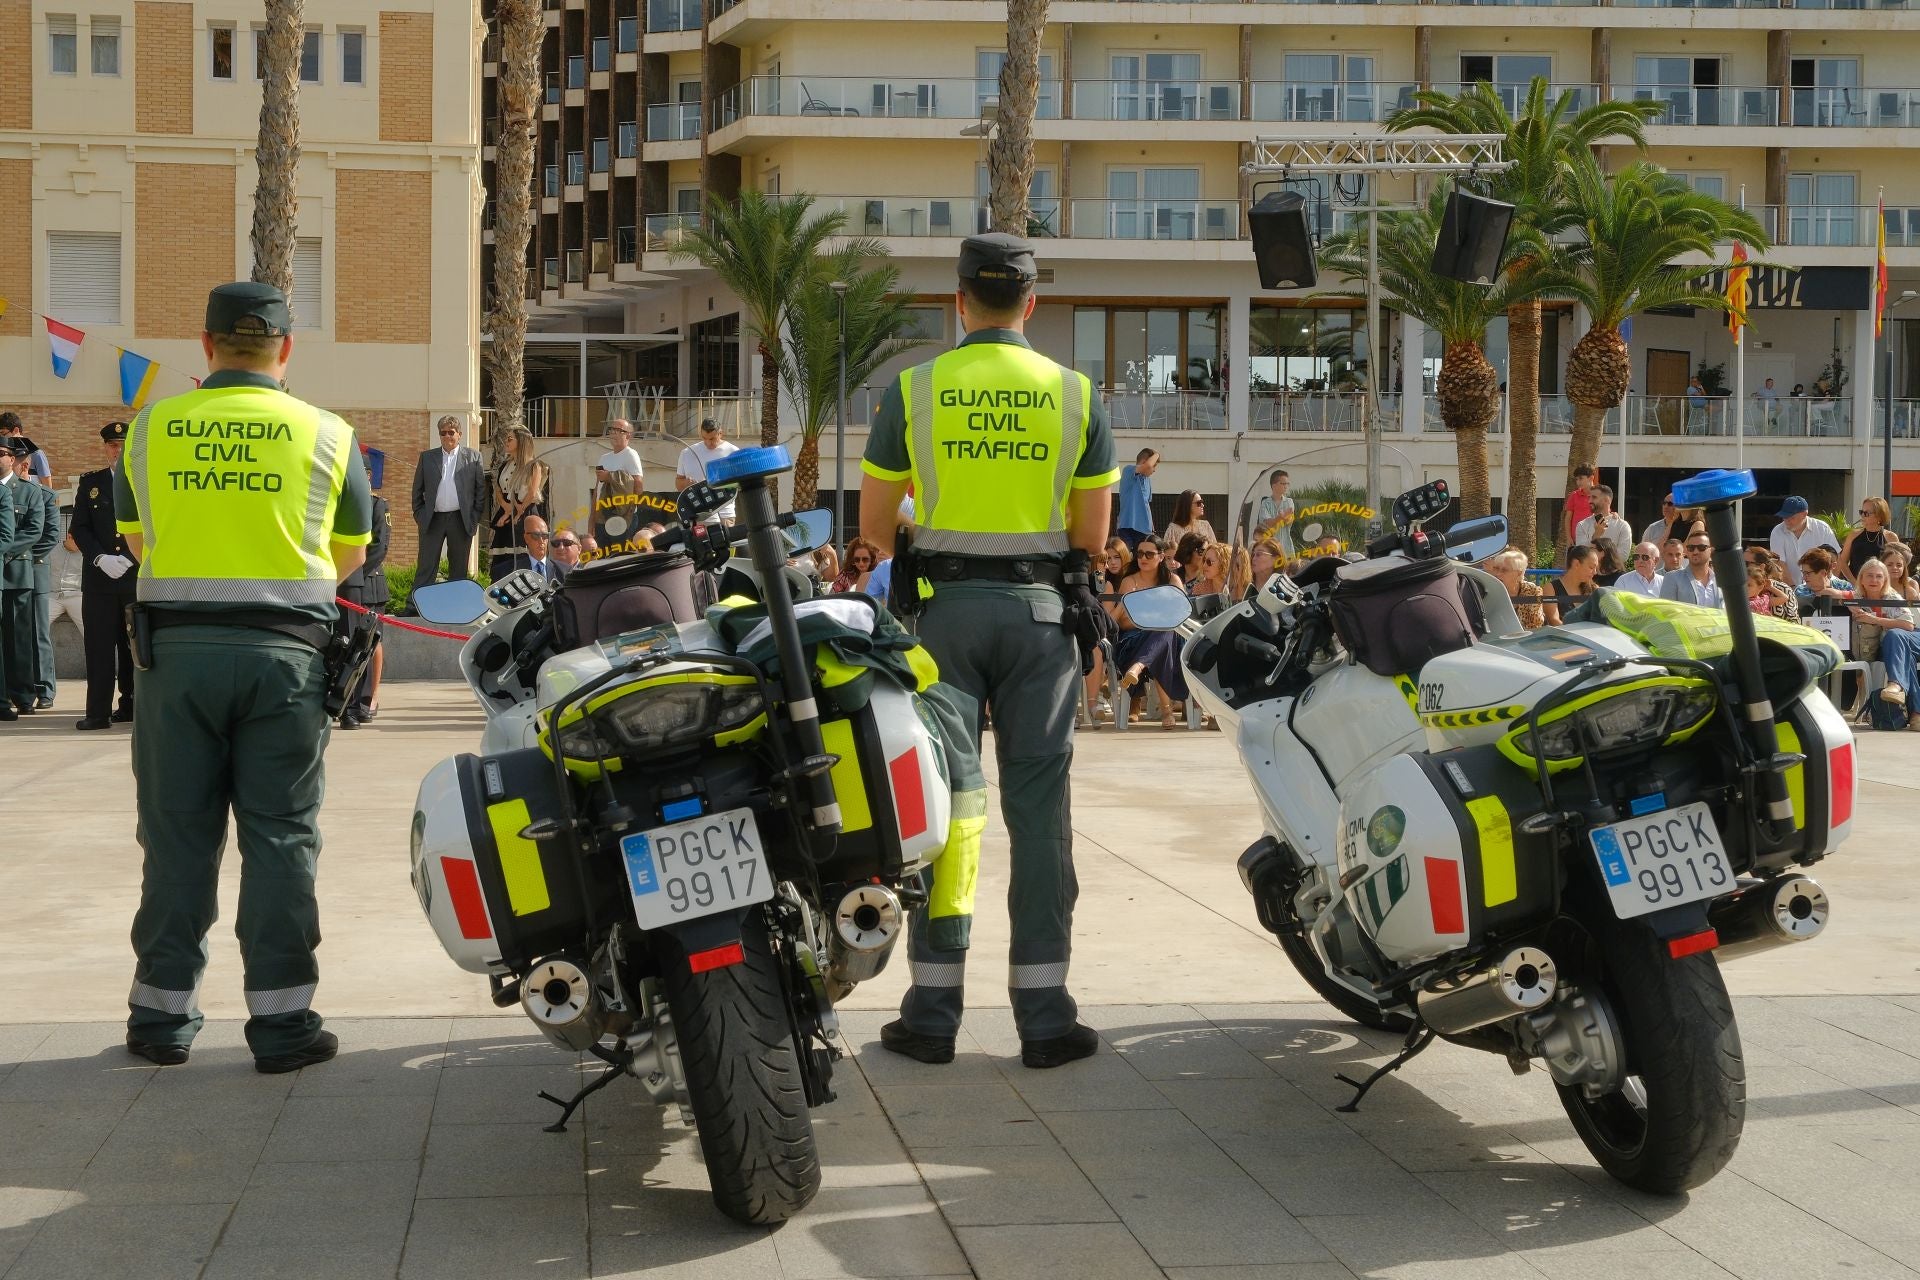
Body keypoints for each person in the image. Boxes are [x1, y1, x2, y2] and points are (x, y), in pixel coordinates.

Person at [858, 230, 1117, 1070]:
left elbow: (872, 529)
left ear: (959, 301)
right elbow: (1091, 534)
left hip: (944, 620)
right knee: (1040, 813)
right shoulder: (1075, 394)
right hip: (1043, 619)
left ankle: (933, 1011)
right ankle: (1044, 1015)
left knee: (952, 809)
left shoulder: (916, 389)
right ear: (1031, 304)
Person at [115, 281, 373, 1073]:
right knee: (282, 838)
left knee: (177, 839)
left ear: (206, 344)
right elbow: (351, 554)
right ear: (285, 350)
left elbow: (135, 543)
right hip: (288, 665)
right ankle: (284, 1026)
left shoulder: (152, 427)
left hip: (176, 663)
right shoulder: (329, 434)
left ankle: (161, 1019)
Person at [69, 422, 139, 730]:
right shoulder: (91, 482)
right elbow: (80, 527)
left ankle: (133, 706)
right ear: (105, 448)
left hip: (134, 575)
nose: (118, 450)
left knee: (134, 645)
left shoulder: (144, 481)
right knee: (98, 646)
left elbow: (152, 525)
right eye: (113, 445)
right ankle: (97, 712)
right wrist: (99, 557)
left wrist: (127, 556)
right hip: (99, 577)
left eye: (123, 445)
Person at [1111, 537, 1189, 729]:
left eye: (1149, 554)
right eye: (1139, 554)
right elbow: (1115, 621)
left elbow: (1181, 615)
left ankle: (1138, 667)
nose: (1143, 558)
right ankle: (1166, 711)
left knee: (1164, 632)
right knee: (1162, 636)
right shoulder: (1129, 581)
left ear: (1161, 556)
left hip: (1169, 639)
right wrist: (1123, 604)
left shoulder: (1172, 581)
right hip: (1133, 641)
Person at [410, 415, 487, 598]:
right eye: (443, 433)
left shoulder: (473, 457)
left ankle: (456, 607)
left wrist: (474, 519)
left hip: (460, 520)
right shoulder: (427, 457)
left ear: (459, 434)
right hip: (432, 519)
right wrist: (420, 516)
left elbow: (480, 492)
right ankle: (415, 606)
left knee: (458, 569)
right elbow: (417, 490)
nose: (447, 436)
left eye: (451, 432)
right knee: (426, 566)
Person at [336, 475, 391, 729]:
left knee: (361, 644)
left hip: (358, 581)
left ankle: (357, 703)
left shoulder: (376, 505)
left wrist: (349, 572)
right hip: (335, 583)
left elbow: (379, 547)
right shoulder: (335, 501)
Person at [0, 438, 48, 716]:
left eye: (3, 454)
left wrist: (4, 552)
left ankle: (23, 696)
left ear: (13, 459)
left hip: (17, 572)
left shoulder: (29, 491)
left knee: (18, 639)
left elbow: (34, 532)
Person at [21, 444, 61, 709]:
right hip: (10, 572)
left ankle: (45, 688)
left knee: (37, 632)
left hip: (34, 568)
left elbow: (49, 536)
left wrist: (18, 556)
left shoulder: (45, 495)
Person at [489, 427, 548, 580]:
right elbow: (498, 489)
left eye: (510, 439)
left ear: (521, 441)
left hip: (526, 512)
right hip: (507, 511)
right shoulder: (505, 465)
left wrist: (518, 512)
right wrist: (506, 509)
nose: (506, 442)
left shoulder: (534, 465)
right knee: (503, 559)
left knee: (523, 555)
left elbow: (532, 492)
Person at [675, 418, 740, 522]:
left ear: (720, 433)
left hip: (725, 512)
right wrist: (686, 483)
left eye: (712, 439)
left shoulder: (733, 452)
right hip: (700, 512)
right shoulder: (687, 453)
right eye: (704, 438)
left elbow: (740, 482)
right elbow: (678, 483)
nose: (708, 443)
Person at [1768, 497, 1838, 588]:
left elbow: (1834, 559)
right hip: (1789, 589)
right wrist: (1793, 590)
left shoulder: (1822, 529)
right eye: (1784, 517)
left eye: (1791, 517)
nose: (1787, 521)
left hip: (1822, 589)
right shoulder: (1777, 532)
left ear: (1804, 514)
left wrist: (1829, 586)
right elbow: (1779, 564)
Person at [1486, 547, 1547, 631]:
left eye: (1504, 570)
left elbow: (1535, 625)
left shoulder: (1533, 591)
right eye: (1496, 568)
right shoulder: (1487, 589)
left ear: (1519, 573)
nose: (1498, 574)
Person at [1660, 527, 1722, 607]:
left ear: (1711, 550)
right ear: (1687, 551)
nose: (1695, 552)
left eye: (1701, 547)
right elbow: (1666, 612)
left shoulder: (1721, 580)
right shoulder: (1672, 578)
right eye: (1691, 548)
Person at [1574, 484, 1633, 567]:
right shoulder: (1582, 525)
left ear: (1607, 500)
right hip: (1588, 577)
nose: (1589, 501)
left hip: (1613, 577)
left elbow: (1623, 556)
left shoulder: (1622, 526)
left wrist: (1599, 560)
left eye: (1594, 497)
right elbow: (1580, 553)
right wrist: (1596, 536)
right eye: (1589, 497)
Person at [1115, 448, 1158, 550]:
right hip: (1127, 527)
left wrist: (1152, 527)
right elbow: (1147, 466)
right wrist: (1157, 454)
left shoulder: (1147, 481)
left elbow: (1146, 504)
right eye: (1154, 466)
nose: (1154, 470)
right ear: (1144, 462)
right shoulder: (1128, 470)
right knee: (1126, 558)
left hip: (1144, 530)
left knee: (1141, 559)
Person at [1546, 544, 1600, 627]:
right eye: (1591, 567)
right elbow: (1554, 621)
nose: (1595, 572)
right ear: (1576, 564)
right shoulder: (1551, 589)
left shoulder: (1594, 589)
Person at [1842, 497, 1895, 581]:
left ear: (1879, 516)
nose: (1862, 515)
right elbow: (1843, 562)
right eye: (1861, 512)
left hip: (1879, 587)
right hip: (1855, 587)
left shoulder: (1890, 537)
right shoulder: (1853, 535)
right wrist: (1855, 584)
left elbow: (1896, 565)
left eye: (1866, 513)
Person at [1253, 469, 1295, 558]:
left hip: (1286, 547)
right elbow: (1267, 523)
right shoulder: (1265, 503)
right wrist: (1280, 517)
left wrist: (1280, 518)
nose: (1286, 486)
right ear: (1274, 485)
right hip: (1270, 548)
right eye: (1283, 483)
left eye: (1287, 484)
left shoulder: (1289, 502)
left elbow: (1288, 520)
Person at [1797, 548, 1854, 614]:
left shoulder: (1844, 586)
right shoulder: (1800, 591)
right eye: (1803, 573)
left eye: (1807, 573)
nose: (1804, 578)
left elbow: (1860, 600)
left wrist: (1836, 594)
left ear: (1823, 573)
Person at [0, 413, 51, 485]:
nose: (1, 438)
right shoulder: (4, 453)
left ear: (16, 430)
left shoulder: (36, 453)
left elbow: (47, 486)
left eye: (3, 433)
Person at [594, 419, 644, 491]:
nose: (613, 434)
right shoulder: (604, 458)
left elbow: (638, 488)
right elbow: (597, 488)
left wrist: (610, 477)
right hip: (602, 502)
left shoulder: (630, 455)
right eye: (612, 430)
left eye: (618, 430)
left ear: (628, 436)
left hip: (618, 501)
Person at [1560, 464, 1596, 549]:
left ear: (1591, 478)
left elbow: (1606, 514)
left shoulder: (1599, 495)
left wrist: (1614, 514)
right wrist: (1569, 538)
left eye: (1581, 478)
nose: (1578, 482)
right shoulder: (1574, 495)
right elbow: (1568, 518)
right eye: (1576, 479)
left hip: (1594, 541)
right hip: (1576, 541)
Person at [519, 515, 562, 584]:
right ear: (526, 538)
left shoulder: (563, 570)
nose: (541, 541)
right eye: (536, 535)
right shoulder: (512, 570)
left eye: (545, 535)